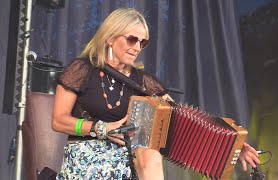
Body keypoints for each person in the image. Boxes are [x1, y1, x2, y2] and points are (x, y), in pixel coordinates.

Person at [52, 8, 260, 180]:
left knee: (151, 155)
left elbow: (182, 119)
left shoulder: (144, 82)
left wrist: (230, 146)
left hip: (127, 157)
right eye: (132, 39)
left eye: (143, 42)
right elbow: (58, 121)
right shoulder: (81, 69)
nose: (137, 47)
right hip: (86, 154)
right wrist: (101, 128)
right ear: (109, 37)